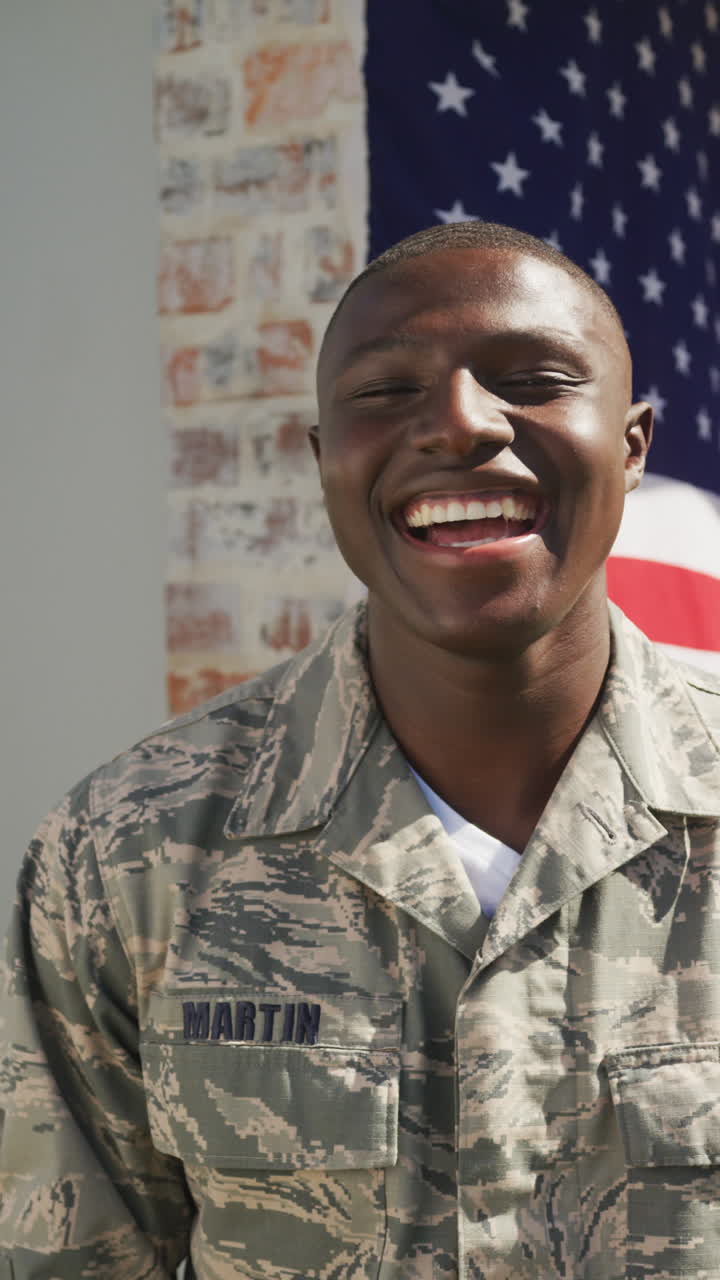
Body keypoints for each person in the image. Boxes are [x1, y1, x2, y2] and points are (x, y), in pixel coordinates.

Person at [2, 221, 720, 1279]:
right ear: (322, 456)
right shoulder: (125, 851)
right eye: (387, 392)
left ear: (633, 442)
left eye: (531, 378)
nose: (464, 422)